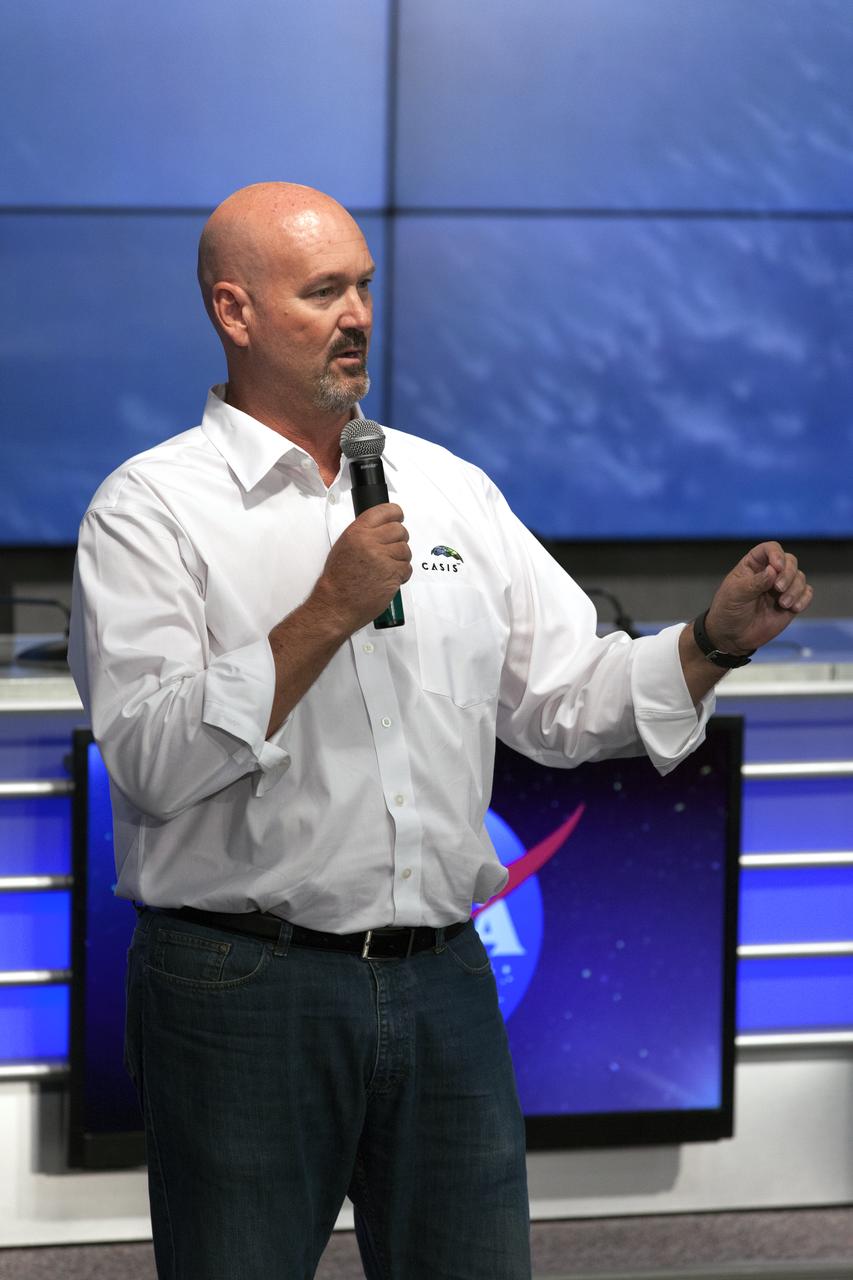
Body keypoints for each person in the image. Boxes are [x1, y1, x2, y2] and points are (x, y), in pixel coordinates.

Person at [69, 182, 813, 1280]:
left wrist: (708, 640)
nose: (358, 314)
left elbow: (563, 701)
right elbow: (151, 758)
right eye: (323, 291)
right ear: (235, 311)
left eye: (364, 286)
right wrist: (328, 607)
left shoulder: (449, 487)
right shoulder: (150, 509)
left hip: (445, 980)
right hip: (241, 985)